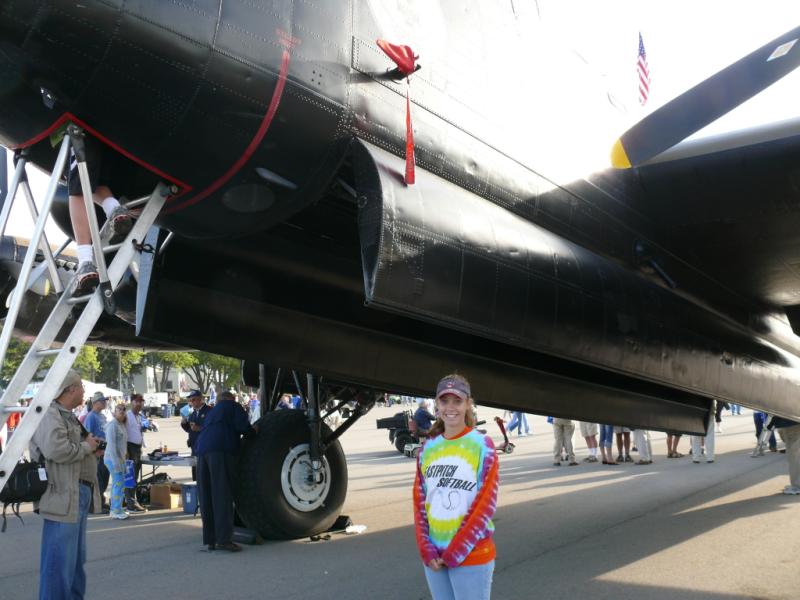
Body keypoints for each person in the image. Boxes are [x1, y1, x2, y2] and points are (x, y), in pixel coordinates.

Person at [414, 374, 498, 600]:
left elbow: (486, 505)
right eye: (444, 400)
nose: (450, 407)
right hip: (435, 557)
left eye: (457, 401)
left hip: (472, 554)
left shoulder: (483, 445)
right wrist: (426, 548)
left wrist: (455, 551)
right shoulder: (427, 448)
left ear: (468, 404)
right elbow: (420, 503)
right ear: (436, 403)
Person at [31, 369, 102, 600]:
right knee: (59, 565)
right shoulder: (49, 413)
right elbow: (56, 449)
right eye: (81, 385)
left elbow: (71, 448)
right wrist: (87, 447)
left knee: (74, 564)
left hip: (75, 495)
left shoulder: (66, 415)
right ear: (70, 389)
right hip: (62, 497)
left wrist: (90, 448)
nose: (84, 390)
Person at [67, 135, 135, 296]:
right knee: (96, 182)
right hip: (111, 135)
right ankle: (115, 210)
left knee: (78, 186)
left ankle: (85, 262)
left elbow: (79, 189)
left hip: (81, 130)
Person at [195, 390, 256, 552]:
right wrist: (253, 431)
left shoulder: (212, 411)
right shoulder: (233, 406)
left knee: (207, 496)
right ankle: (224, 540)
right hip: (220, 451)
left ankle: (211, 539)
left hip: (202, 453)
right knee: (222, 495)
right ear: (231, 398)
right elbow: (243, 427)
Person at [83, 394, 110, 512]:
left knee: (104, 478)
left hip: (105, 452)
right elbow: (88, 435)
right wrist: (95, 450)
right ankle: (95, 505)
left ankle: (101, 502)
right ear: (95, 402)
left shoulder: (102, 416)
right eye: (102, 401)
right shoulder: (91, 417)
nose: (105, 403)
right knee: (98, 480)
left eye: (105, 401)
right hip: (97, 453)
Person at [104, 404, 129, 519]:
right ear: (114, 412)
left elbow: (123, 444)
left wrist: (124, 460)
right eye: (120, 411)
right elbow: (112, 446)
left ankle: (117, 508)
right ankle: (115, 511)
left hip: (120, 459)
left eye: (124, 411)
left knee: (120, 484)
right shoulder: (112, 425)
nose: (122, 413)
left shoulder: (121, 424)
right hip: (112, 459)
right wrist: (116, 464)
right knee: (118, 484)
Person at [181, 390, 211, 481]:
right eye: (190, 400)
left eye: (193, 400)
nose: (191, 402)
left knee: (204, 476)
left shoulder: (209, 411)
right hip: (194, 447)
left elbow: (213, 428)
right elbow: (190, 430)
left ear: (201, 399)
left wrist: (200, 428)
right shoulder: (193, 413)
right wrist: (184, 424)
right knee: (195, 475)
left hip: (205, 448)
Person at [124, 394, 147, 512]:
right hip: (130, 447)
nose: (139, 404)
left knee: (134, 476)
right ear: (132, 402)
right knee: (130, 477)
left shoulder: (139, 416)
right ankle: (131, 503)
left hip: (137, 448)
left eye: (141, 402)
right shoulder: (127, 415)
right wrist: (125, 450)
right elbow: (123, 433)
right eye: (137, 401)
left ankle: (130, 501)